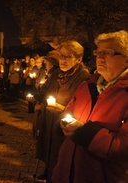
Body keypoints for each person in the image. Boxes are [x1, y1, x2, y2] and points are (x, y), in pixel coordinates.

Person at [52, 30, 128, 183]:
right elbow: (69, 111)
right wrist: (62, 124)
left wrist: (84, 131)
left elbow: (123, 148)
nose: (99, 57)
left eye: (108, 52)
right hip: (66, 174)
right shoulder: (87, 86)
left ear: (126, 60)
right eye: (98, 52)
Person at [36, 40, 90, 182]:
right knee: (50, 155)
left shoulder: (84, 78)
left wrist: (63, 109)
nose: (63, 60)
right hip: (50, 123)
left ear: (79, 59)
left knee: (63, 165)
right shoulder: (56, 74)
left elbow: (84, 108)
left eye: (68, 56)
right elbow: (45, 92)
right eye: (61, 56)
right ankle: (48, 173)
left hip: (66, 129)